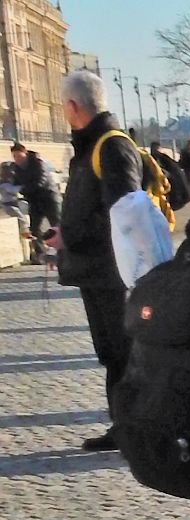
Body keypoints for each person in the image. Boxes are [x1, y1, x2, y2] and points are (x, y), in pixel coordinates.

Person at [45, 72, 140, 453]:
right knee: (112, 353)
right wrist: (64, 234)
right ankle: (124, 428)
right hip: (96, 271)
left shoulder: (111, 147)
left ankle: (137, 430)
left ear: (72, 107)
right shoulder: (89, 148)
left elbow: (124, 211)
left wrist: (73, 236)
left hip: (113, 273)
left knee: (124, 352)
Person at [8, 142, 59, 258]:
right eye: (15, 156)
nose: (17, 159)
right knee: (35, 229)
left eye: (19, 156)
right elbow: (15, 183)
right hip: (34, 201)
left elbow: (40, 182)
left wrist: (23, 189)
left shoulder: (38, 163)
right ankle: (40, 254)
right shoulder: (16, 168)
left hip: (49, 198)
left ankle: (64, 251)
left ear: (25, 153)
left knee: (57, 225)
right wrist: (12, 187)